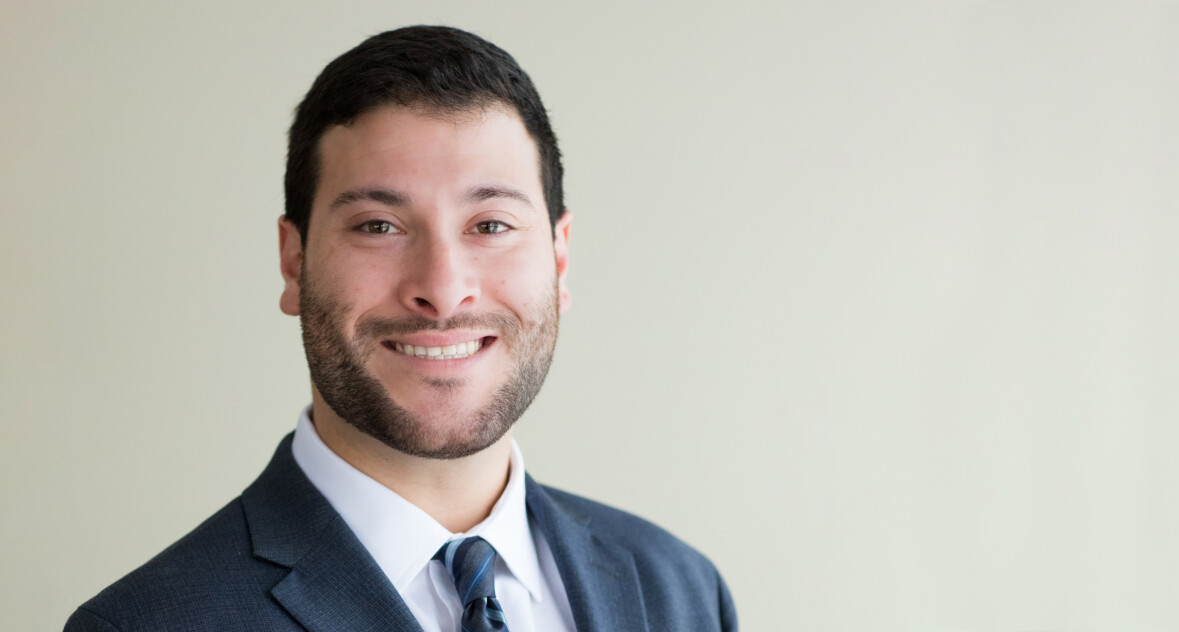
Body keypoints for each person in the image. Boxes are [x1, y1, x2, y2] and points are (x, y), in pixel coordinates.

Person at [65, 25, 736, 632]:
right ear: (293, 261)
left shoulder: (681, 592)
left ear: (559, 259)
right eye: (378, 227)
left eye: (491, 226)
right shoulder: (145, 624)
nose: (442, 289)